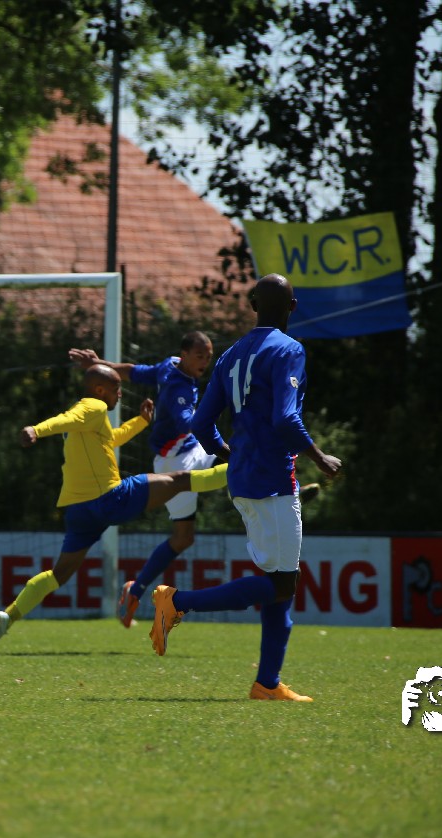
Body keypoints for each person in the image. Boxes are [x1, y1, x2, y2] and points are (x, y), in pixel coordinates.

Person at [147, 273, 342, 702]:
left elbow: (202, 423)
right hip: (273, 479)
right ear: (293, 307)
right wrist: (319, 456)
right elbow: (286, 419)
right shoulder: (289, 349)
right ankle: (178, 602)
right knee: (282, 586)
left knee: (279, 584)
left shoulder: (230, 355)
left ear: (253, 305)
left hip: (243, 479)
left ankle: (267, 683)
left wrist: (229, 452)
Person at [0, 362, 229, 653]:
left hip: (78, 510)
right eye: (116, 388)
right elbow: (63, 419)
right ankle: (240, 467)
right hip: (110, 498)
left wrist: (140, 422)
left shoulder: (91, 420)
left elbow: (110, 440)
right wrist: (36, 430)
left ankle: (8, 617)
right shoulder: (92, 407)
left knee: (59, 574)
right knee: (180, 480)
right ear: (99, 390)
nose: (120, 393)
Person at [68, 333, 230, 629]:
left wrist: (98, 364)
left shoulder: (170, 365)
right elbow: (189, 423)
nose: (205, 362)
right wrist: (217, 427)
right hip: (179, 460)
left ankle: (135, 591)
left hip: (177, 454)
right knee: (237, 460)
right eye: (200, 356)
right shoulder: (180, 388)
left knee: (184, 537)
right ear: (184, 354)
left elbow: (133, 371)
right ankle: (271, 483)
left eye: (208, 357)